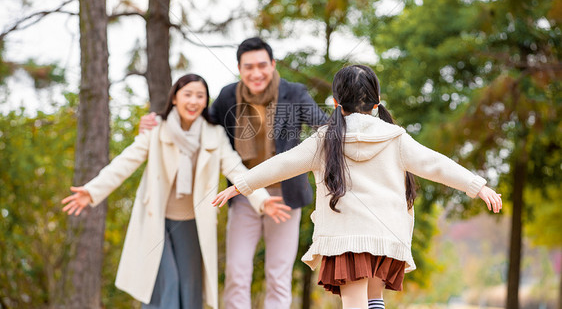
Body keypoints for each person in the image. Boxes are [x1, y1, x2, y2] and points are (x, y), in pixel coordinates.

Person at [212, 65, 503, 309]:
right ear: (377, 101)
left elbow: (281, 164)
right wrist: (478, 186)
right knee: (374, 300)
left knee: (354, 305)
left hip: (346, 238)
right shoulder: (395, 137)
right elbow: (436, 164)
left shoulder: (324, 140)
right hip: (384, 237)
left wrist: (241, 185)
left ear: (336, 103)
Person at [61, 74, 291, 309]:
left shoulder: (214, 134)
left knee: (190, 289)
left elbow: (236, 169)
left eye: (200, 96)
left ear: (205, 102)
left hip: (193, 222)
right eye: (187, 94)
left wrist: (263, 200)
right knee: (165, 283)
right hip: (156, 220)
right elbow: (126, 162)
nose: (193, 101)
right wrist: (91, 191)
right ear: (174, 98)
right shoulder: (157, 130)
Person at [140, 37, 328, 308]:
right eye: (248, 67)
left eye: (262, 65)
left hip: (285, 194)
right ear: (239, 68)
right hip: (243, 192)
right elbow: (201, 121)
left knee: (279, 274)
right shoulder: (229, 95)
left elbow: (323, 127)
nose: (256, 73)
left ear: (273, 65)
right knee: (237, 273)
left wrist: (353, 120)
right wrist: (158, 119)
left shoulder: (294, 93)